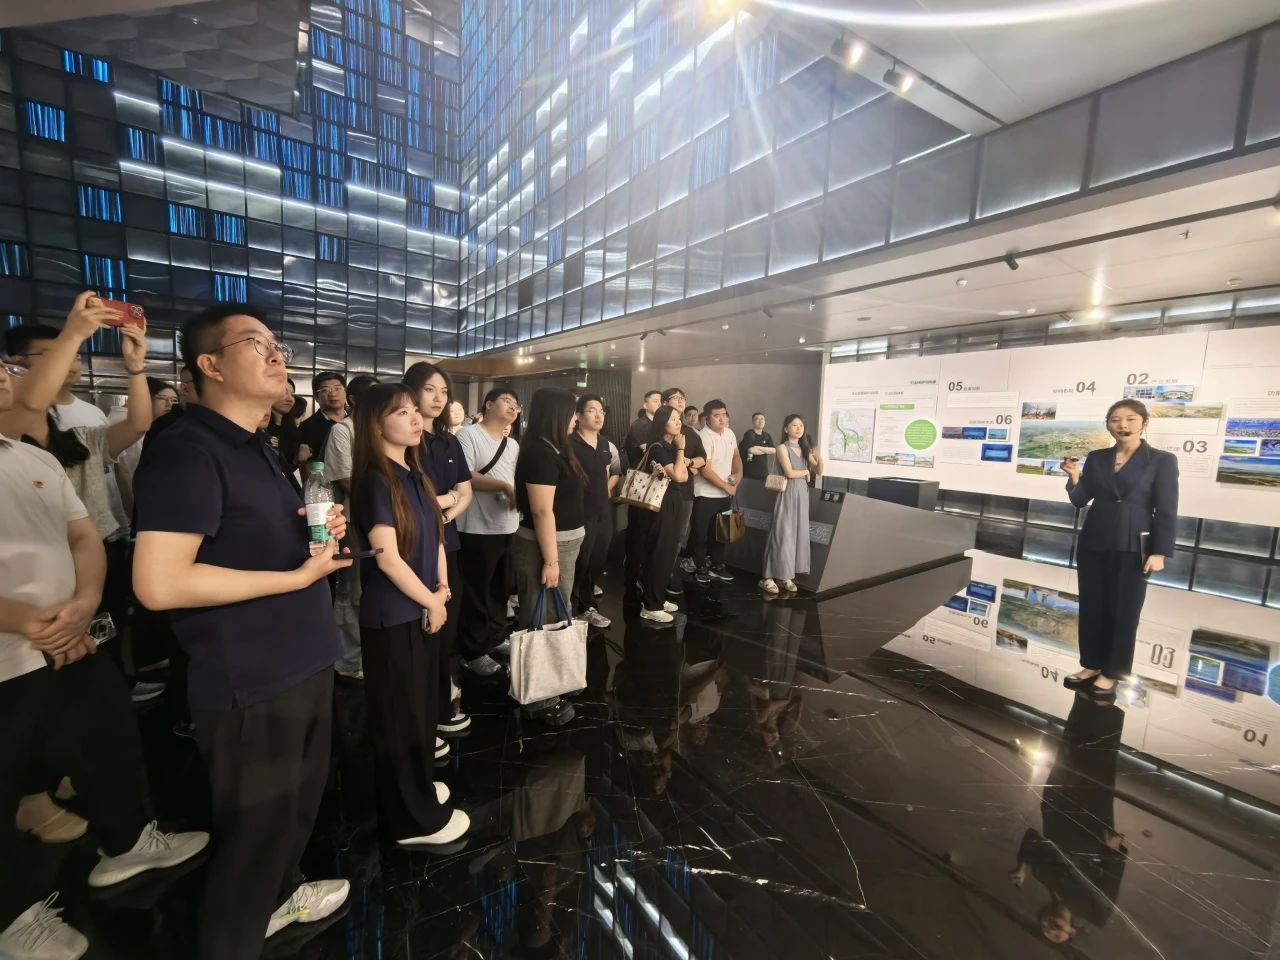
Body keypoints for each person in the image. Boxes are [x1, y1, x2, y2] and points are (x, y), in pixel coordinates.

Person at [132, 303, 353, 960]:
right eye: (256, 343)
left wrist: (313, 537)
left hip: (302, 659)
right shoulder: (187, 449)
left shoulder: (258, 444)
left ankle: (280, 898)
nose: (277, 354)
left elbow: (252, 542)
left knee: (293, 817)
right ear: (210, 364)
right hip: (252, 680)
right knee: (252, 843)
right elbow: (160, 582)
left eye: (278, 344)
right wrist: (294, 578)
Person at [0, 358, 209, 960]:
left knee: (109, 739)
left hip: (70, 638)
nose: (3, 375)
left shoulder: (33, 458)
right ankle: (13, 915)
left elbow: (83, 535)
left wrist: (83, 603)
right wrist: (29, 622)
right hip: (16, 650)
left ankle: (126, 844)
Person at [1, 295, 159, 700]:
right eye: (52, 353)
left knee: (102, 635)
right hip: (34, 585)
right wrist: (74, 332)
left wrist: (136, 366)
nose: (70, 361)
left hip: (95, 553)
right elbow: (31, 403)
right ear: (17, 365)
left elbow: (138, 423)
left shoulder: (76, 439)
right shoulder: (12, 438)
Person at [351, 383, 469, 846]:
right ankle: (410, 822)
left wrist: (441, 590)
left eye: (413, 410)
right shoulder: (375, 480)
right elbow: (387, 558)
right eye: (401, 412)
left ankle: (417, 790)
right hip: (393, 614)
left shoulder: (415, 474)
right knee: (399, 718)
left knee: (421, 711)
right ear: (376, 424)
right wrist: (432, 601)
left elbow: (436, 538)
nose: (416, 417)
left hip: (423, 605)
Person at [1061, 399, 1178, 702]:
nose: (1122, 425)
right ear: (1108, 425)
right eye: (1115, 419)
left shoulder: (1162, 460)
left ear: (1144, 423)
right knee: (1092, 606)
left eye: (1130, 419)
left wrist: (1159, 552)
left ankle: (1112, 672)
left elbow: (1166, 510)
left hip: (1134, 546)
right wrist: (1074, 477)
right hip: (1094, 542)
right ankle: (1092, 664)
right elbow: (1080, 499)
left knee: (1124, 611)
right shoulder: (1097, 457)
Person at [404, 362, 474, 735]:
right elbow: (410, 498)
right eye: (429, 389)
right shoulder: (405, 440)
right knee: (419, 627)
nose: (438, 398)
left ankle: (440, 702)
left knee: (446, 623)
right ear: (412, 391)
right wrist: (444, 502)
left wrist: (444, 513)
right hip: (412, 546)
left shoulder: (450, 441)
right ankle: (422, 714)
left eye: (444, 391)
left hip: (449, 542)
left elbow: (466, 492)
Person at [512, 387, 587, 726]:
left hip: (563, 544)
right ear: (557, 414)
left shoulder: (556, 448)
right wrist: (551, 561)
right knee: (539, 616)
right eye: (572, 412)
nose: (576, 419)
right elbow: (542, 511)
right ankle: (537, 696)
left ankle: (556, 677)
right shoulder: (540, 454)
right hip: (544, 548)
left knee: (557, 611)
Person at [455, 387, 521, 677]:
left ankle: (493, 638)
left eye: (516, 404)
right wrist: (503, 487)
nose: (513, 407)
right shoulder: (468, 435)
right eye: (507, 401)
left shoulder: (513, 444)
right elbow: (465, 475)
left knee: (500, 589)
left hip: (507, 525)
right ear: (489, 404)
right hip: (476, 528)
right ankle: (472, 652)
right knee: (476, 592)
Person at [324, 374, 380, 681]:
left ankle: (368, 651)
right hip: (352, 519)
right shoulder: (343, 430)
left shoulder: (381, 428)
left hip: (380, 518)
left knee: (374, 586)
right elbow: (346, 479)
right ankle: (347, 660)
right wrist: (386, 492)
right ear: (355, 400)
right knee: (351, 588)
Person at [633, 406, 687, 623]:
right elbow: (679, 476)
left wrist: (679, 459)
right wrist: (681, 450)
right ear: (662, 422)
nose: (678, 422)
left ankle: (657, 597)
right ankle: (650, 605)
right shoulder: (658, 447)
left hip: (673, 499)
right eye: (673, 419)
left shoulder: (670, 447)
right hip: (661, 501)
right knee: (659, 551)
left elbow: (683, 474)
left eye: (679, 418)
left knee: (668, 551)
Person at [760, 415, 821, 595]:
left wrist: (819, 457)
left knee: (796, 534)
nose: (799, 428)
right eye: (794, 425)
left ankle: (784, 575)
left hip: (802, 494)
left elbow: (819, 470)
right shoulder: (782, 448)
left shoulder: (805, 449)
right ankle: (767, 577)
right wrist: (806, 472)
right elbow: (789, 472)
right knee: (782, 533)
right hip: (787, 493)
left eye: (801, 425)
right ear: (786, 429)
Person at [569, 394, 614, 629]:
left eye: (601, 411)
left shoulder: (604, 443)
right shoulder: (569, 443)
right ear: (578, 415)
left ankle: (587, 607)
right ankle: (572, 609)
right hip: (578, 512)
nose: (599, 416)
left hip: (602, 511)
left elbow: (605, 473)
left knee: (597, 559)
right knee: (579, 561)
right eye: (592, 410)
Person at [658, 388, 706, 594]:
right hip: (660, 494)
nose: (680, 401)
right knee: (659, 536)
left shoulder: (691, 433)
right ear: (664, 403)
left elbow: (702, 460)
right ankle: (651, 576)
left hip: (685, 494)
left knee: (678, 536)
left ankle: (667, 573)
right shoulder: (656, 432)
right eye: (675, 398)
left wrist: (688, 462)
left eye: (682, 398)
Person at [691, 399, 742, 585]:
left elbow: (736, 456)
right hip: (704, 494)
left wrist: (738, 476)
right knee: (700, 533)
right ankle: (699, 567)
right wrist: (727, 486)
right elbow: (705, 471)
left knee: (722, 532)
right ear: (707, 418)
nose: (722, 419)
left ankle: (717, 566)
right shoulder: (703, 437)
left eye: (724, 415)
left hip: (725, 494)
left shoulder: (730, 433)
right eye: (717, 416)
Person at [114, 377, 179, 516]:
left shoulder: (159, 428)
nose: (169, 404)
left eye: (174, 400)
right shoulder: (127, 427)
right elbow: (125, 473)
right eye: (162, 398)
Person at [622, 390, 662, 590]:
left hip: (655, 483)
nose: (659, 404)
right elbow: (651, 451)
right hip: (641, 481)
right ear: (645, 405)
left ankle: (643, 569)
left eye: (661, 401)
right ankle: (632, 569)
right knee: (638, 526)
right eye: (655, 401)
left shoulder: (658, 425)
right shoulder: (640, 425)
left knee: (650, 528)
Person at [297, 371, 347, 466]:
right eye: (325, 390)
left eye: (337, 388)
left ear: (345, 392)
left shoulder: (357, 420)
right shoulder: (307, 427)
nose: (333, 394)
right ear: (316, 397)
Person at [265, 376, 303, 469]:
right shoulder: (261, 429)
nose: (290, 399)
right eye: (283, 393)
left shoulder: (292, 429)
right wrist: (296, 461)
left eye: (292, 394)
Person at [739, 412, 774, 482]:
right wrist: (766, 449)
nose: (760, 421)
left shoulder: (767, 436)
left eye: (762, 419)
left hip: (764, 473)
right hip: (750, 473)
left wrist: (757, 448)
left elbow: (773, 450)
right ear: (753, 422)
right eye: (757, 419)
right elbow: (751, 450)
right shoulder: (749, 434)